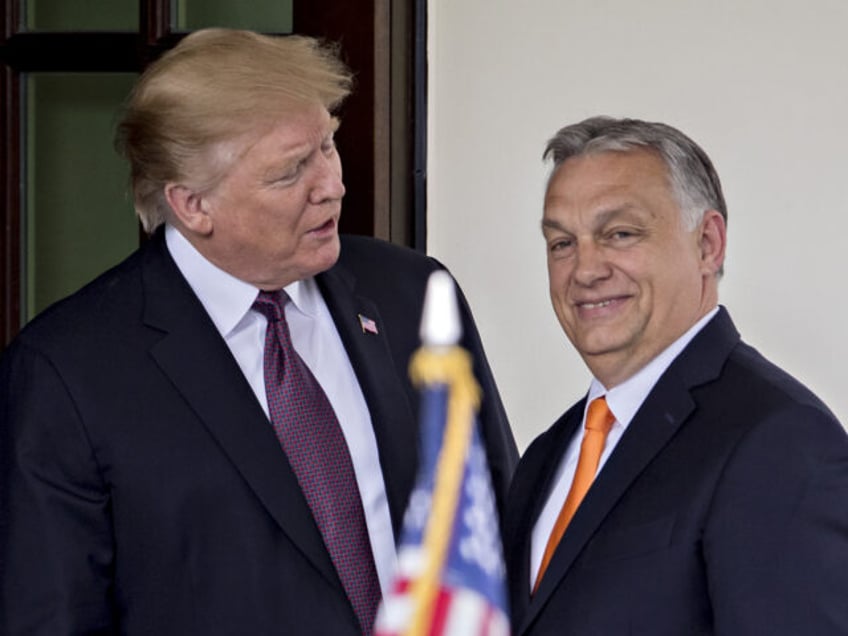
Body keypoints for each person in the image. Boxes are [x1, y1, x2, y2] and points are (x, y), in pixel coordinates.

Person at [0, 29, 518, 635]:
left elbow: (497, 528)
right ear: (193, 205)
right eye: (291, 170)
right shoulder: (68, 372)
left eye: (328, 146)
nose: (331, 184)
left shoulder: (412, 294)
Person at [505, 116, 848, 635]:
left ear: (708, 244)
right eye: (561, 244)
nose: (585, 270)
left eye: (619, 233)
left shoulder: (778, 441)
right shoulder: (546, 456)